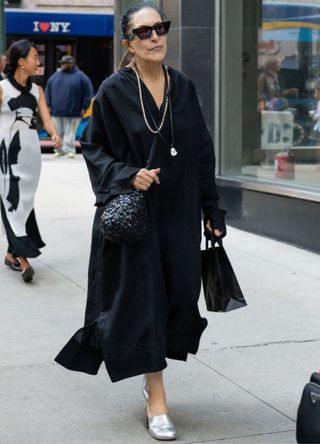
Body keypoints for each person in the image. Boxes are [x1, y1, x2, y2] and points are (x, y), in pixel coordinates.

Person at [55, 2, 226, 440]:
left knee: (176, 296)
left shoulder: (183, 86)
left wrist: (212, 209)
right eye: (144, 31)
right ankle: (156, 395)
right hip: (136, 218)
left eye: (160, 28)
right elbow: (91, 149)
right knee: (145, 301)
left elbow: (202, 151)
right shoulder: (113, 90)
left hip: (180, 215)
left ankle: (152, 375)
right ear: (128, 42)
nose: (155, 37)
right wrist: (130, 175)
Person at [0, 40, 61, 282]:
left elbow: (46, 119)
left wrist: (54, 133)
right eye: (35, 57)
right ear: (21, 61)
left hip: (31, 157)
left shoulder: (38, 91)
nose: (38, 62)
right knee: (10, 201)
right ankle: (23, 259)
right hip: (5, 155)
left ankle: (10, 255)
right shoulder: (3, 88)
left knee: (24, 202)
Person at [45, 55, 93, 159]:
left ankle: (69, 150)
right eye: (62, 63)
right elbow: (47, 90)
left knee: (70, 133)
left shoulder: (81, 76)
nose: (63, 65)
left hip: (74, 111)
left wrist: (84, 107)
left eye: (65, 63)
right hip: (56, 111)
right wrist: (48, 104)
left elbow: (88, 93)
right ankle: (59, 150)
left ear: (71, 64)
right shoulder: (55, 76)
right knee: (58, 133)